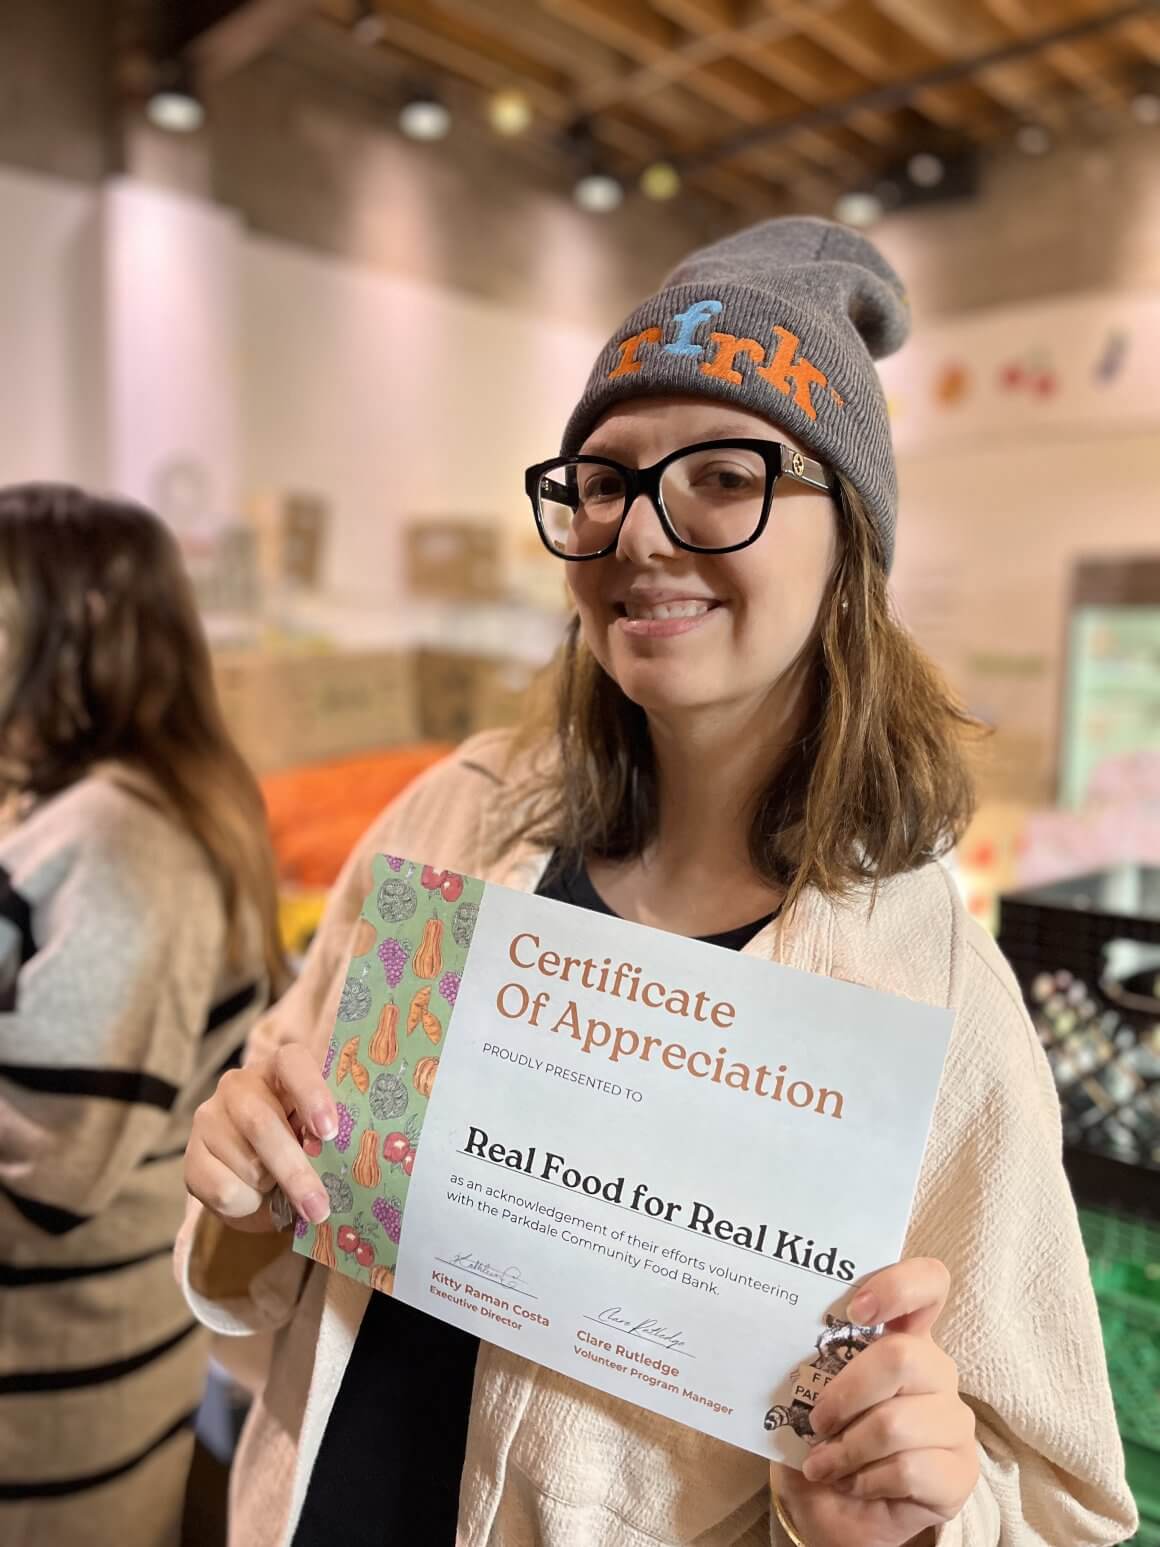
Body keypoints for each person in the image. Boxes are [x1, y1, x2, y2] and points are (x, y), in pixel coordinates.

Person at [181, 220, 1136, 1547]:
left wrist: (915, 1514)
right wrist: (244, 1189)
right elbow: (282, 1252)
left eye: (724, 475)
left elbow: (1064, 1505)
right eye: (604, 479)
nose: (641, 530)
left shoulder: (930, 1001)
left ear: (849, 538)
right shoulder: (453, 828)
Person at [0, 486, 283, 1545]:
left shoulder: (125, 845)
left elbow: (53, 1167)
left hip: (60, 1405)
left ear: (68, 637)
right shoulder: (72, 805)